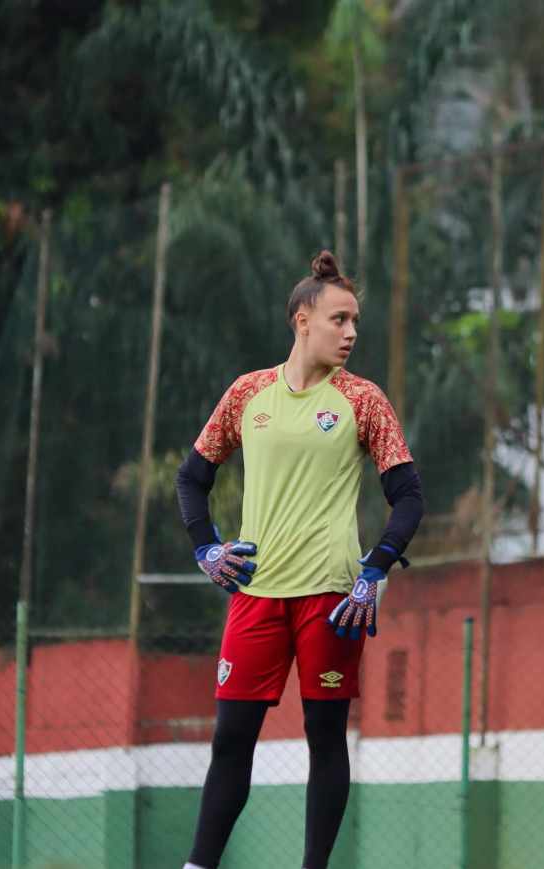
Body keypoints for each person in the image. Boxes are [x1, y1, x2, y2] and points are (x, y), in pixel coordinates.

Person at [175, 250, 424, 869]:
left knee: (325, 738)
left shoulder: (363, 401)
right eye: (339, 319)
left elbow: (409, 497)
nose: (351, 333)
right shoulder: (246, 395)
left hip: (332, 600)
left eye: (355, 322)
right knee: (231, 741)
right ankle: (197, 864)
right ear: (301, 319)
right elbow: (191, 479)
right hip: (254, 595)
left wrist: (373, 572)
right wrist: (206, 547)